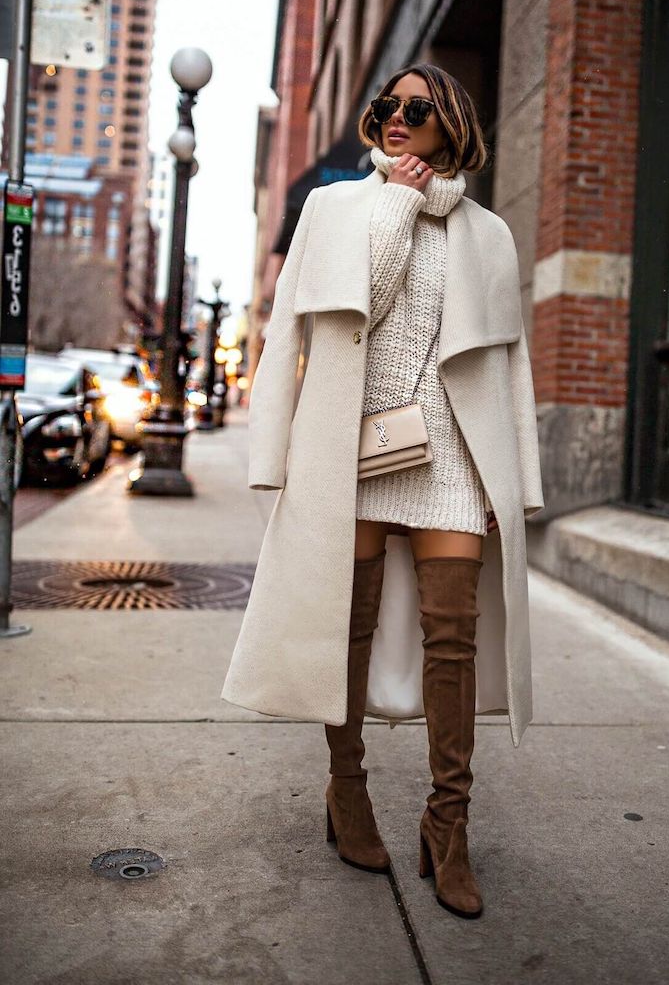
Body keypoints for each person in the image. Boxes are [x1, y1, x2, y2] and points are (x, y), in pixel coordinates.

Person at [221, 63, 544, 921]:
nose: (396, 120)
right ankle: (347, 788)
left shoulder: (489, 234)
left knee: (454, 638)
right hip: (352, 450)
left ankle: (449, 822)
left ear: (453, 125)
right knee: (348, 629)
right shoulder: (335, 208)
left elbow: (509, 365)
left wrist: (518, 482)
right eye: (386, 108)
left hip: (451, 456)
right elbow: (308, 320)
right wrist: (398, 202)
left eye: (417, 109)